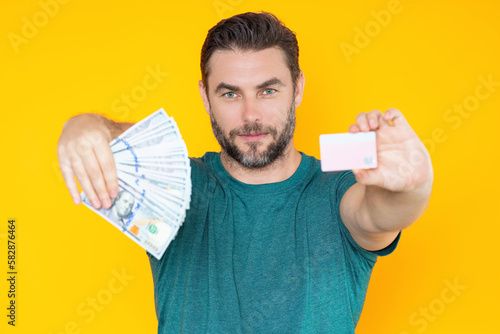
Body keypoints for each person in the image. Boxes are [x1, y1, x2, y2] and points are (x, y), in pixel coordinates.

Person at [57, 12, 433, 333]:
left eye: (268, 91)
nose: (250, 115)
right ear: (205, 97)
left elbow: (380, 214)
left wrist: (413, 186)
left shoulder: (339, 191)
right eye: (230, 94)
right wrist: (87, 125)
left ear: (297, 88)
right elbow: (116, 143)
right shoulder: (175, 185)